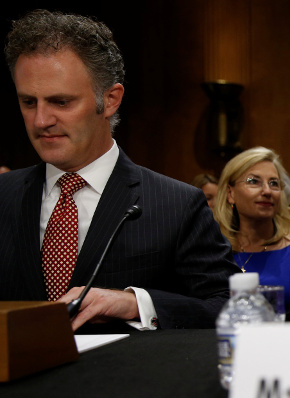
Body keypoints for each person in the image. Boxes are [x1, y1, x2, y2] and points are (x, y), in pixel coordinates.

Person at [0, 10, 238, 331]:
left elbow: (229, 307)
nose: (41, 120)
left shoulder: (176, 205)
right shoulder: (5, 196)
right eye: (29, 102)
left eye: (61, 102)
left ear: (110, 100)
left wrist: (135, 304)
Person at [213, 146, 290, 318]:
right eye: (253, 181)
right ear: (230, 193)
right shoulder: (213, 252)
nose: (267, 191)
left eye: (274, 183)